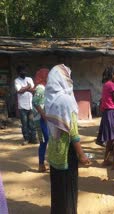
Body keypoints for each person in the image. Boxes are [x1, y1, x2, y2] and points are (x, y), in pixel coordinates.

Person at [45, 64, 90, 214]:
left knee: (57, 187)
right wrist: (82, 154)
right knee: (68, 186)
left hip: (53, 151)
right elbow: (73, 133)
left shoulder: (50, 97)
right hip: (66, 151)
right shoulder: (66, 99)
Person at [96, 67, 114, 169]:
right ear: (113, 75)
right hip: (112, 113)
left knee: (110, 139)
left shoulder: (105, 85)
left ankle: (106, 160)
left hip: (106, 113)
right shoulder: (111, 85)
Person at [14, 65, 37, 145]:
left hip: (30, 105)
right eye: (21, 71)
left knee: (32, 123)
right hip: (22, 106)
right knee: (24, 124)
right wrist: (28, 87)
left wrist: (25, 88)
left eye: (24, 71)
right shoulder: (17, 80)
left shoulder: (29, 79)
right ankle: (26, 139)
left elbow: (33, 90)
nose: (23, 73)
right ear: (18, 72)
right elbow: (19, 90)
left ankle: (33, 138)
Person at [32, 68, 50, 172]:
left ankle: (42, 164)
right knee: (44, 141)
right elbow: (35, 102)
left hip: (41, 118)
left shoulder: (43, 87)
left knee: (45, 140)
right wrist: (43, 115)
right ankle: (41, 164)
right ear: (43, 77)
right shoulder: (40, 88)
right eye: (47, 75)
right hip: (40, 119)